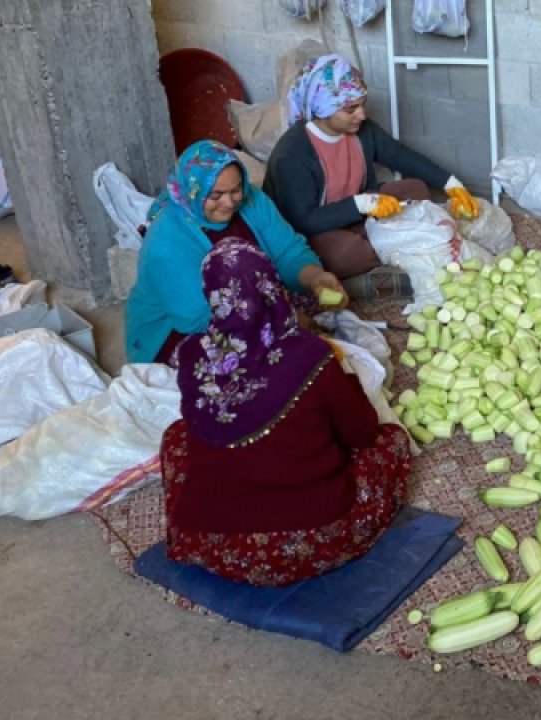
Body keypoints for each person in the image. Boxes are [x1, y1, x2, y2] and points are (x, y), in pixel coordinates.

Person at [160, 239, 413, 586]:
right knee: (391, 443)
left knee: (176, 436)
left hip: (209, 541)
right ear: (270, 286)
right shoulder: (309, 355)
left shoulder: (191, 356)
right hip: (308, 542)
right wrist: (345, 380)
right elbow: (362, 433)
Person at [263, 54, 480, 295]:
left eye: (362, 104)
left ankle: (383, 245)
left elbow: (400, 155)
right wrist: (362, 204)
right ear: (323, 108)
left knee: (416, 188)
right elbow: (302, 220)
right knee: (345, 254)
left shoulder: (361, 131)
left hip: (360, 213)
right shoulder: (293, 154)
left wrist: (451, 184)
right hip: (317, 230)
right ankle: (380, 259)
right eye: (351, 109)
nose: (362, 115)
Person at [126, 141, 345, 365]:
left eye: (236, 190)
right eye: (216, 195)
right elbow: (196, 318)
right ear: (193, 194)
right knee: (243, 361)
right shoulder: (166, 243)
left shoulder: (253, 201)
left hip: (253, 301)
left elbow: (287, 252)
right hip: (181, 328)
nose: (229, 202)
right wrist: (280, 317)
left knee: (319, 296)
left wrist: (315, 278)